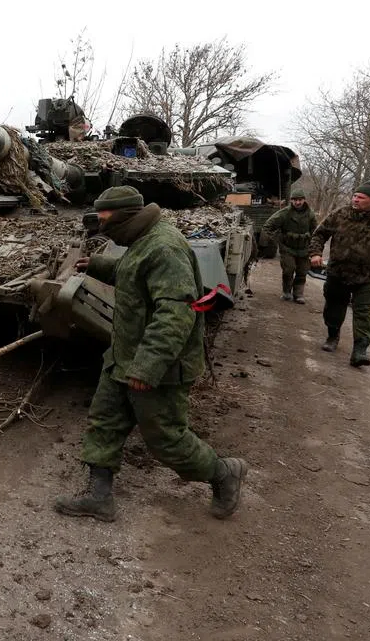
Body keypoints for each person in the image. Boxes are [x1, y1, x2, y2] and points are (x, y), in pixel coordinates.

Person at [54, 186, 248, 522]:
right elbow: (136, 275)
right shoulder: (143, 240)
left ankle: (223, 473)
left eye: (104, 219)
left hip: (159, 364)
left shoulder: (164, 247)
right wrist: (100, 265)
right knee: (106, 421)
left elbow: (176, 312)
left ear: (124, 217)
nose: (101, 226)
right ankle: (99, 496)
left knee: (166, 439)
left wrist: (147, 367)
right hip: (124, 355)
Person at [308, 180, 370, 367]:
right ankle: (332, 335)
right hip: (338, 272)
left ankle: (360, 350)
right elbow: (319, 234)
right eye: (354, 196)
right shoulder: (341, 214)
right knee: (334, 306)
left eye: (361, 197)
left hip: (368, 276)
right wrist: (315, 253)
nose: (355, 200)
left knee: (363, 311)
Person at [261, 185, 318, 303]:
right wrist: (275, 240)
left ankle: (298, 294)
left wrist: (313, 248)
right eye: (295, 200)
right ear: (291, 200)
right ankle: (287, 292)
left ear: (304, 200)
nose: (298, 202)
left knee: (302, 272)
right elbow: (268, 226)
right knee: (288, 270)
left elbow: (315, 232)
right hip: (287, 248)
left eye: (300, 200)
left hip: (304, 248)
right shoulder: (284, 213)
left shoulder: (310, 214)